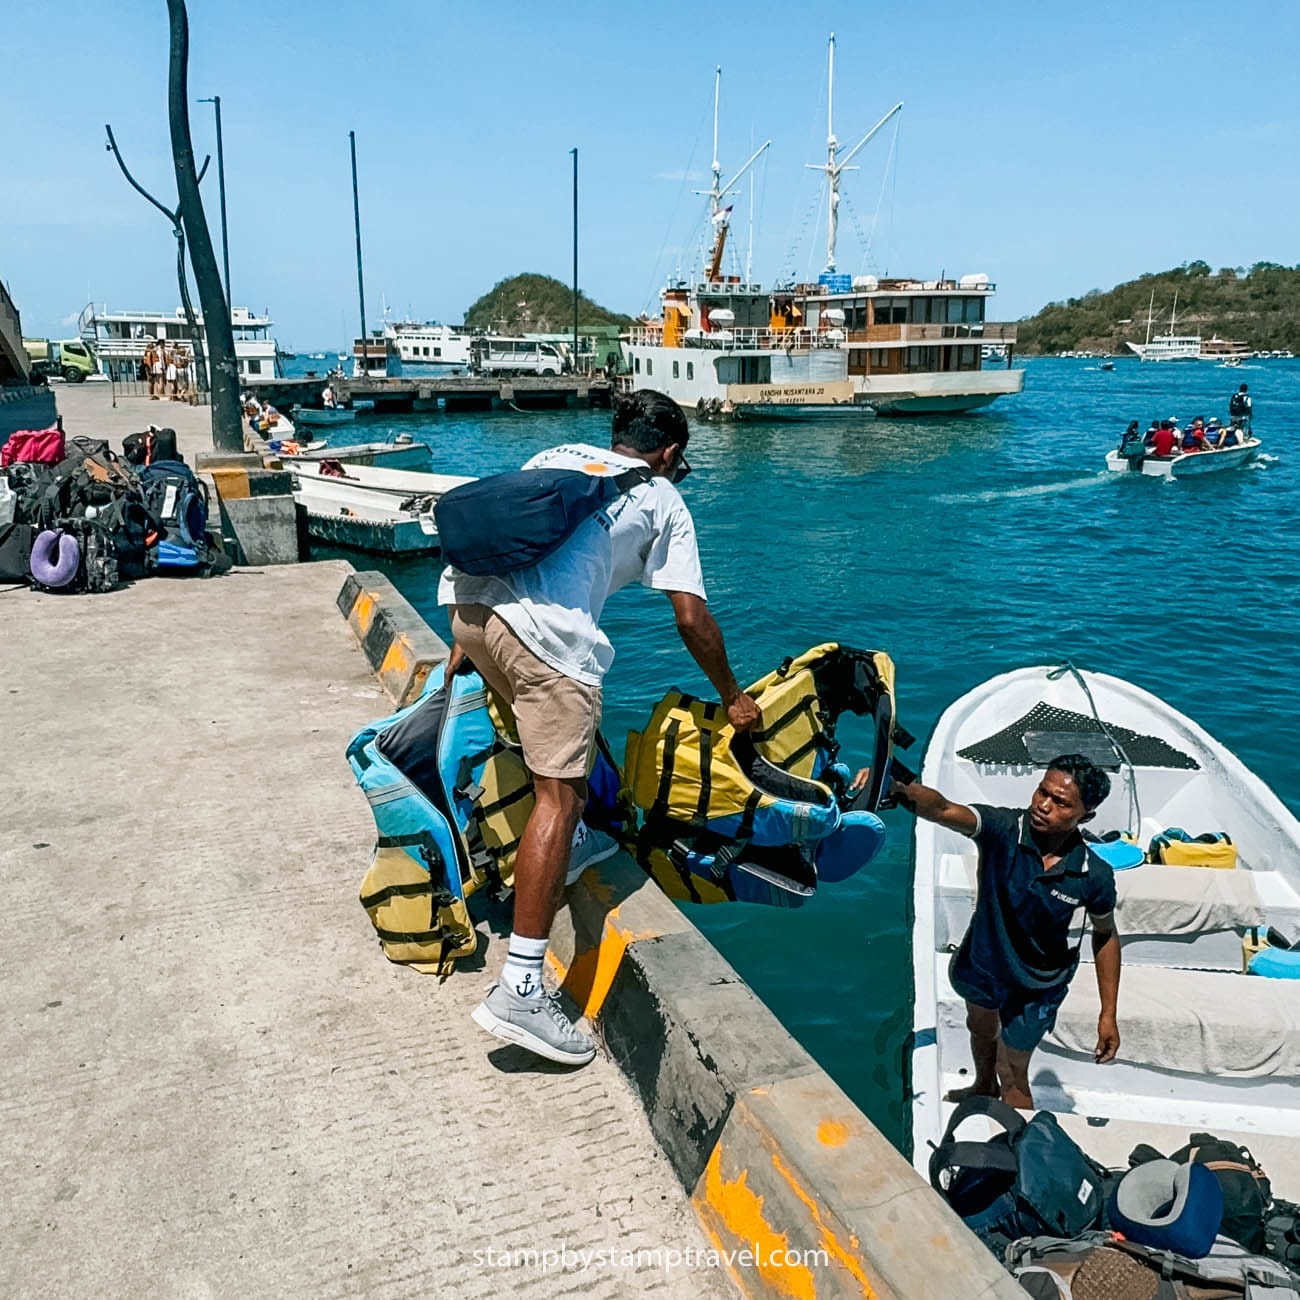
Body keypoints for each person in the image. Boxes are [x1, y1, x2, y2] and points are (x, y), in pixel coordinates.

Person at [439, 389, 761, 1067]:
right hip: (542, 637)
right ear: (672, 453)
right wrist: (733, 697)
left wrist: (467, 644)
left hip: (466, 611)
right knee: (562, 796)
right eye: (682, 465)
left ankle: (573, 839)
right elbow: (690, 619)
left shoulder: (557, 455)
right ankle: (521, 988)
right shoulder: (664, 496)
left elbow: (508, 542)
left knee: (552, 764)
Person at [858, 754, 1121, 1109]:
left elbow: (1105, 934)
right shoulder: (1004, 828)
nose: (1043, 806)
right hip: (983, 965)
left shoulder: (1094, 874)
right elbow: (941, 808)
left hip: (1037, 985)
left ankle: (1014, 1149)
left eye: (1061, 803)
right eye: (1042, 792)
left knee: (1011, 1069)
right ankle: (982, 1088)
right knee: (980, 1031)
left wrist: (1107, 1014)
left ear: (1084, 816)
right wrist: (897, 788)